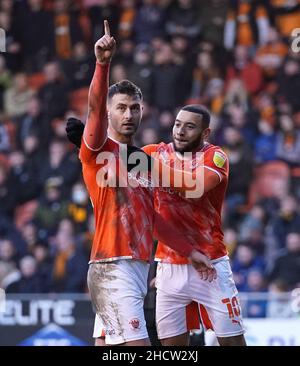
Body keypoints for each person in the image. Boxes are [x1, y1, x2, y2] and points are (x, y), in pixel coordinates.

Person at [71, 20, 215, 347]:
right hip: (112, 266)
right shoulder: (96, 149)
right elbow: (93, 111)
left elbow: (153, 219)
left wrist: (189, 250)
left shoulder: (141, 160)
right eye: (120, 108)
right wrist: (102, 63)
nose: (128, 114)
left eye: (134, 108)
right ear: (109, 113)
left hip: (136, 268)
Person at [67, 104, 247, 346]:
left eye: (190, 127)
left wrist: (137, 160)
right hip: (168, 266)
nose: (181, 131)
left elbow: (194, 187)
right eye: (178, 124)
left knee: (233, 342)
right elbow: (116, 166)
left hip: (210, 263)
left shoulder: (215, 157)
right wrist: (88, 145)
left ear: (205, 134)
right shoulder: (154, 153)